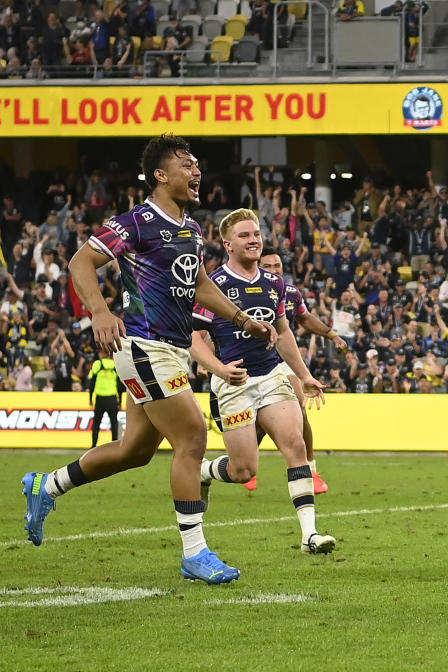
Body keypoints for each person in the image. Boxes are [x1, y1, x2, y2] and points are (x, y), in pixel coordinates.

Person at [21, 135, 276, 585]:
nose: (196, 171)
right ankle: (195, 553)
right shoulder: (137, 222)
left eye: (197, 164)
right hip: (143, 346)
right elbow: (81, 262)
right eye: (186, 164)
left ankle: (48, 485)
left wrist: (241, 318)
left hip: (172, 351)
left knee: (135, 451)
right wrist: (100, 311)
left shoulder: (191, 230)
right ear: (161, 175)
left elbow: (198, 284)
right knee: (193, 434)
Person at [190, 210, 334, 555]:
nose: (253, 239)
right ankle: (205, 472)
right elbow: (193, 336)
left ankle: (309, 535)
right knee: (242, 470)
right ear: (227, 244)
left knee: (295, 444)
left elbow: (283, 333)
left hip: (271, 376)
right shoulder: (213, 285)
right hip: (233, 382)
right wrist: (218, 369)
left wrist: (304, 376)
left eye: (256, 234)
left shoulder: (275, 284)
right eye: (244, 235)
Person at [247, 246, 348, 493]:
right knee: (258, 423)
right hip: (251, 362)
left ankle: (312, 471)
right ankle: (249, 466)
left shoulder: (289, 292)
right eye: (268, 266)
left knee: (300, 409)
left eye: (277, 266)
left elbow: (304, 318)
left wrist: (331, 333)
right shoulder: (242, 290)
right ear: (258, 266)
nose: (273, 270)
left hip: (282, 360)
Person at [88, 354, 122, 448]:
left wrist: (90, 398)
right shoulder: (115, 365)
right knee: (114, 423)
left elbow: (92, 383)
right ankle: (115, 446)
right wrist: (120, 401)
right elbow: (120, 385)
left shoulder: (97, 364)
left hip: (100, 399)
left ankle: (93, 445)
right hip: (112, 399)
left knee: (96, 423)